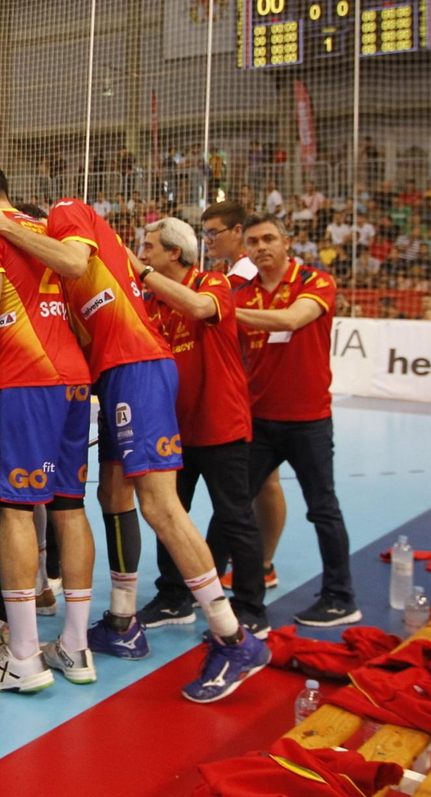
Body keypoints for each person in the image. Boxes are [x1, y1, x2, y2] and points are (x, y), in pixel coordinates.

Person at [0, 197, 270, 703]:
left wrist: (2, 225)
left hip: (135, 364)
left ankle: (231, 635)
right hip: (107, 373)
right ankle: (122, 621)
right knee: (111, 496)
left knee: (160, 505)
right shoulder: (67, 250)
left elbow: (71, 260)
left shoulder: (67, 211)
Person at [0, 162, 96, 689]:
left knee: (13, 511)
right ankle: (76, 647)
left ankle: (22, 655)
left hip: (23, 380)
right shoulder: (47, 230)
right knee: (68, 506)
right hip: (73, 379)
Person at [131, 217, 267, 636]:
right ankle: (174, 597)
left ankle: (250, 607)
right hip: (173, 429)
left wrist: (145, 276)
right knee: (170, 514)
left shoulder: (213, 283)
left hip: (220, 425)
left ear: (175, 252)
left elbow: (197, 308)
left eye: (150, 247)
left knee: (235, 517)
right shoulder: (150, 302)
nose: (143, 255)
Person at [233, 216, 359, 627]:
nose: (261, 247)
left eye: (269, 239)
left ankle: (340, 597)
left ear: (287, 242)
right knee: (233, 509)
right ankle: (243, 595)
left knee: (324, 509)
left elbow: (290, 319)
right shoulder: (243, 291)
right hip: (259, 420)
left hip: (309, 420)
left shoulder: (316, 282)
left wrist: (225, 312)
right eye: (252, 242)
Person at [202, 201, 280, 592]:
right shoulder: (232, 274)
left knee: (263, 481)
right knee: (261, 481)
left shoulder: (245, 275)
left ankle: (263, 562)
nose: (208, 240)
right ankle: (260, 562)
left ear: (236, 232)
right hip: (247, 387)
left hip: (255, 388)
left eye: (214, 232)